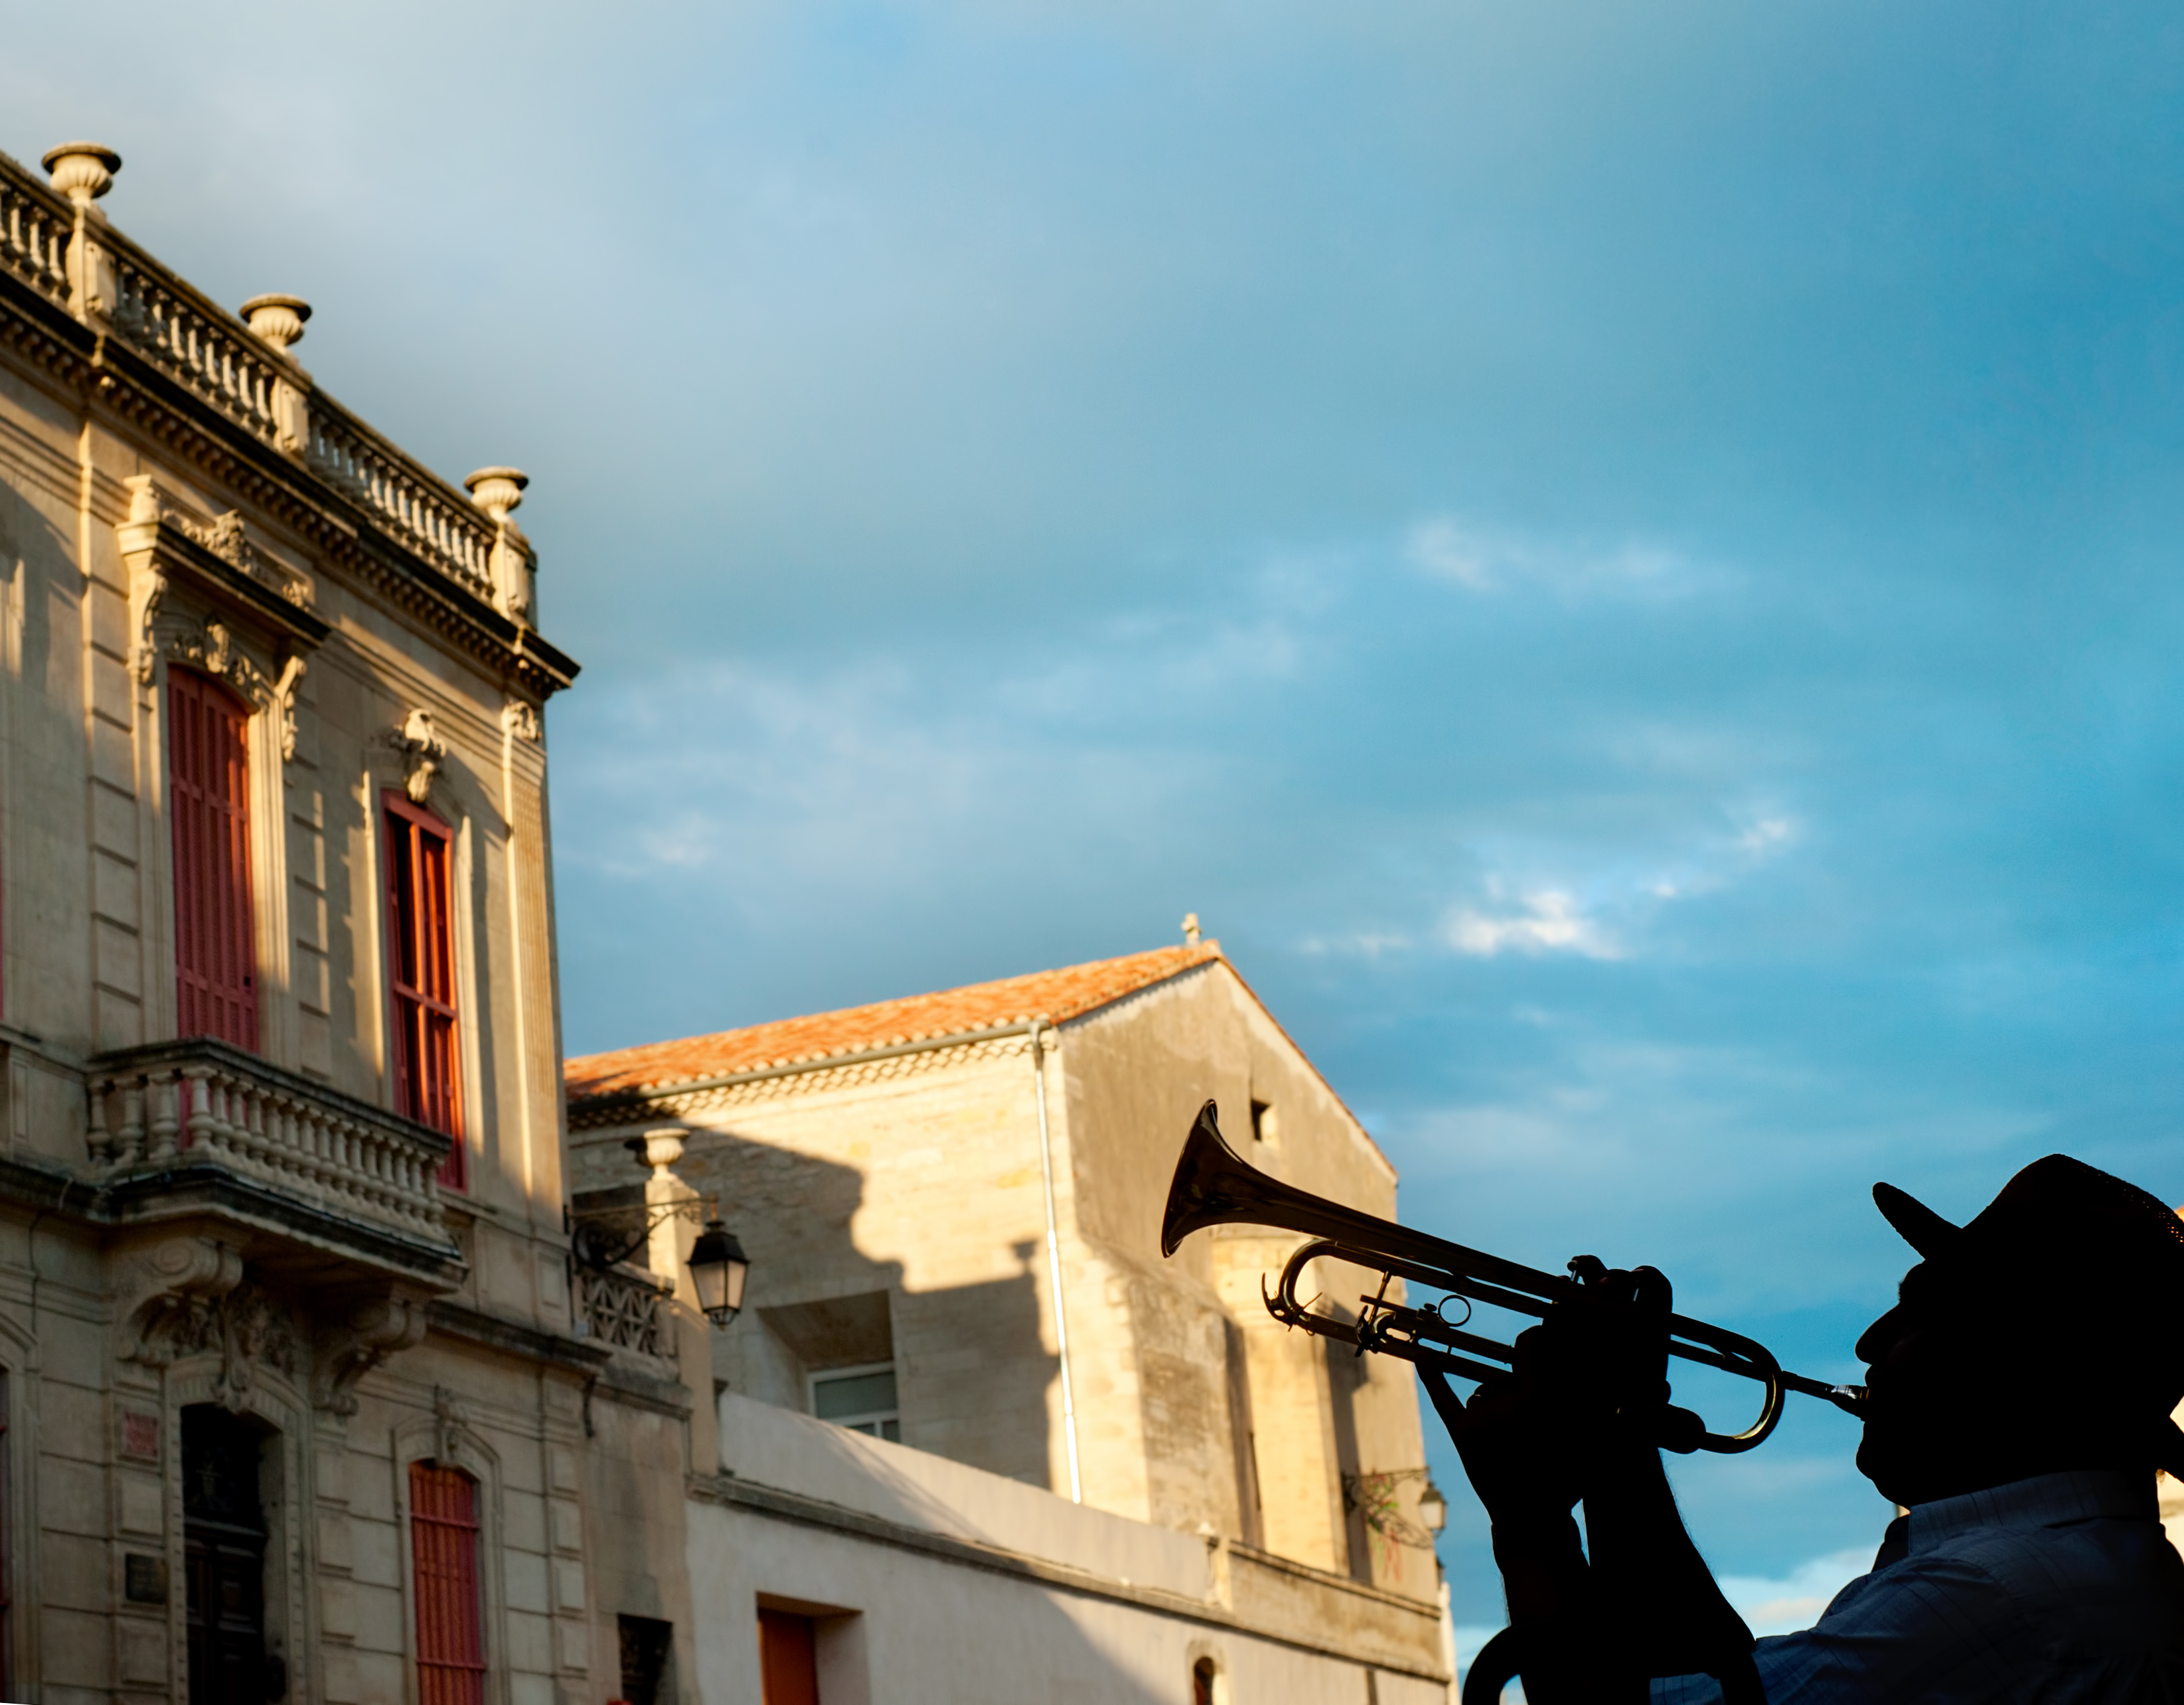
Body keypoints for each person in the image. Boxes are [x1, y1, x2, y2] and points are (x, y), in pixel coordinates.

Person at [1429, 1155, 2184, 1702]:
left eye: (1918, 1311)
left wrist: (1532, 1524)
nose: (1869, 1340)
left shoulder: (2002, 1593)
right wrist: (1613, 1444)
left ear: (2020, 1362)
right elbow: (1704, 1677)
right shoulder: (2076, 1569)